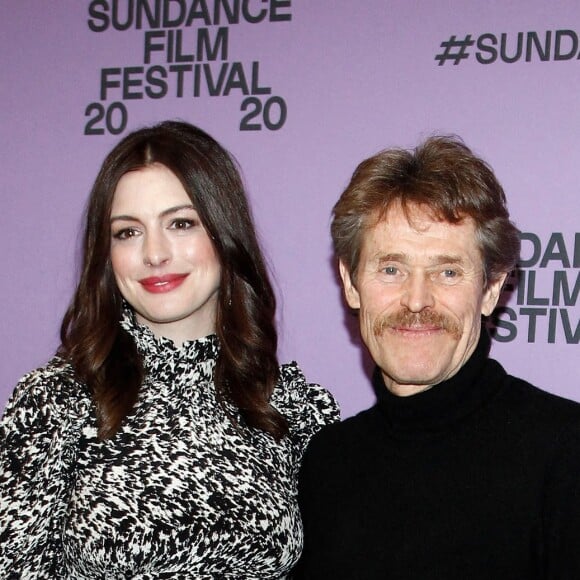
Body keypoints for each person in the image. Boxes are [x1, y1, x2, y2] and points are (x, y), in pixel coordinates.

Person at [0, 120, 339, 578]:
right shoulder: (55, 400)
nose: (154, 253)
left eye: (181, 223)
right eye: (127, 232)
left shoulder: (294, 409)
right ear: (106, 253)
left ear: (223, 233)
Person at [296, 136, 580, 578]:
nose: (416, 300)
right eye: (391, 269)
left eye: (447, 272)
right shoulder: (327, 463)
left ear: (490, 289)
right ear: (351, 284)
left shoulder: (565, 453)